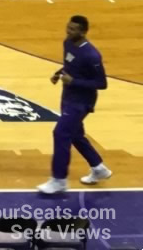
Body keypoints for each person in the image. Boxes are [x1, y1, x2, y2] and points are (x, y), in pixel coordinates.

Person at [36, 15, 111, 194]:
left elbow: (102, 83)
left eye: (73, 30)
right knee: (75, 134)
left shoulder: (91, 55)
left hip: (81, 101)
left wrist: (74, 81)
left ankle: (59, 180)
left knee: (61, 133)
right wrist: (59, 73)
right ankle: (99, 168)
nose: (68, 32)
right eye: (68, 28)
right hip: (67, 96)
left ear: (84, 32)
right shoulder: (67, 43)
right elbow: (69, 65)